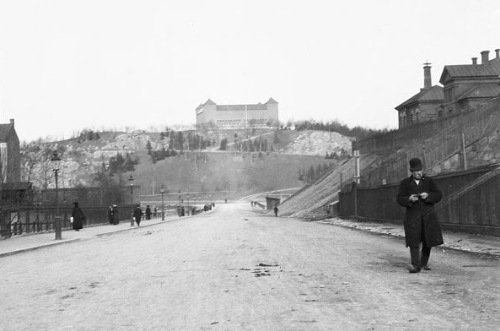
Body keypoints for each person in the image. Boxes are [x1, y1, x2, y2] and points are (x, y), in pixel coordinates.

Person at [397, 157, 443, 273]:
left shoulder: (429, 181)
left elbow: (438, 195)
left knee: (428, 240)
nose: (419, 173)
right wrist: (409, 199)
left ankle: (423, 263)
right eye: (416, 171)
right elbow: (399, 199)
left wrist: (428, 196)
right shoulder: (405, 183)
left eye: (420, 170)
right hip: (413, 217)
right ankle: (415, 265)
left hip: (428, 216)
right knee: (414, 241)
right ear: (411, 171)